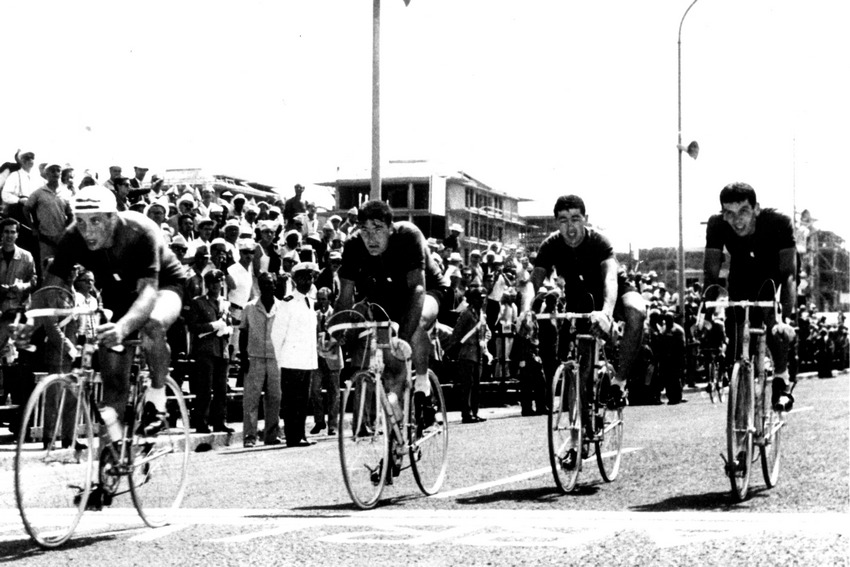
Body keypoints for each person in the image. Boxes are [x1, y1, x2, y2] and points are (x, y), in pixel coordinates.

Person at [39, 184, 186, 444]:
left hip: (162, 285)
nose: (87, 230)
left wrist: (122, 329)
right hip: (119, 293)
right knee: (114, 385)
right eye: (81, 222)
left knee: (152, 323)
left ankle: (158, 394)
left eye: (95, 221)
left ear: (112, 217)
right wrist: (33, 318)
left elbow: (148, 295)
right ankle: (111, 456)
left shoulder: (140, 232)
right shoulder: (74, 236)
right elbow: (51, 285)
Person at [336, 200, 451, 424]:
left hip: (428, 290)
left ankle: (422, 383)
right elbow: (345, 297)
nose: (371, 238)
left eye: (378, 229)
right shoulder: (353, 245)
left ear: (390, 227)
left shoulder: (408, 235)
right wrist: (335, 333)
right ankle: (395, 435)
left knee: (415, 322)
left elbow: (418, 288)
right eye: (365, 230)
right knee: (391, 369)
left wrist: (404, 340)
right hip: (386, 294)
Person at [530, 194, 647, 409]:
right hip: (582, 297)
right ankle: (583, 426)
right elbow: (535, 280)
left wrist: (607, 313)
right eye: (563, 220)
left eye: (575, 218)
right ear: (557, 223)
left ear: (586, 219)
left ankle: (619, 382)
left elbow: (610, 279)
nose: (570, 226)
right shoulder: (550, 245)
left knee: (636, 311)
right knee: (583, 365)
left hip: (612, 291)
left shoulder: (598, 241)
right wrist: (527, 309)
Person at [703, 182, 797, 411]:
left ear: (756, 209)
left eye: (743, 211)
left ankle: (782, 380)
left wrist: (785, 318)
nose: (737, 220)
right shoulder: (716, 225)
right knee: (737, 333)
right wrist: (705, 314)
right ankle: (742, 394)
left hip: (776, 271)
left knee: (771, 317)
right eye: (729, 213)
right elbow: (711, 273)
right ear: (723, 214)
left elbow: (789, 276)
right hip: (743, 271)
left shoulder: (778, 222)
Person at [271, 261, 320, 447]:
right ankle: (292, 436)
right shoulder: (288, 302)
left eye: (310, 278)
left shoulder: (309, 302)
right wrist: (280, 358)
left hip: (306, 359)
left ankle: (300, 434)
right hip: (291, 360)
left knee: (303, 400)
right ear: (295, 279)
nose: (307, 281)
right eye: (303, 277)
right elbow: (277, 334)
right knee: (292, 400)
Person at [239, 272, 283, 447]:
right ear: (259, 286)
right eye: (264, 284)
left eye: (270, 284)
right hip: (254, 357)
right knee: (251, 399)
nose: (267, 287)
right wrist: (243, 356)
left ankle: (271, 435)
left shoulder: (282, 307)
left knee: (275, 397)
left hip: (275, 357)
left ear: (275, 285)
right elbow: (243, 332)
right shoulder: (249, 307)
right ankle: (249, 436)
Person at [187, 269, 233, 433]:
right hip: (205, 350)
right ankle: (201, 422)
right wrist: (212, 326)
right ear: (207, 284)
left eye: (218, 282)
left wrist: (227, 330)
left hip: (222, 350)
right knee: (204, 389)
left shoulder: (225, 303)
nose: (215, 285)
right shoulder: (198, 302)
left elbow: (228, 322)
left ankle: (219, 422)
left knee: (221, 389)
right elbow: (192, 327)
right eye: (211, 282)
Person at [309, 287, 341, 436]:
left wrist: (330, 343)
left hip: (332, 357)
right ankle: (319, 420)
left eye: (324, 299)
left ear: (329, 300)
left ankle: (333, 425)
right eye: (319, 299)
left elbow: (340, 334)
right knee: (314, 390)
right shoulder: (313, 315)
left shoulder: (336, 315)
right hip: (317, 358)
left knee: (333, 392)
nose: (321, 302)